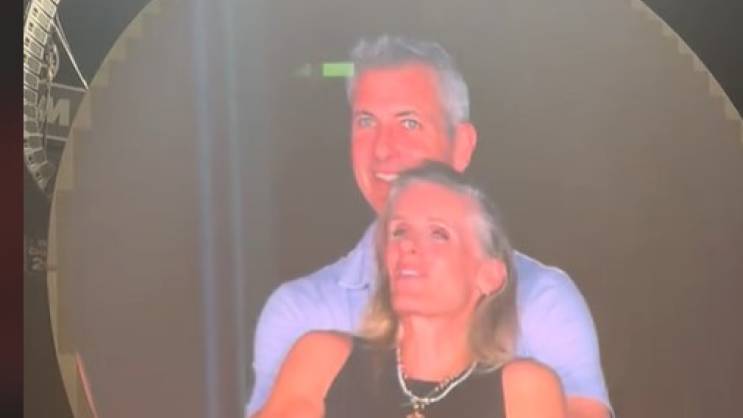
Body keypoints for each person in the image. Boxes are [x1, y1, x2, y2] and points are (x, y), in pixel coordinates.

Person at [247, 35, 611, 418]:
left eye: (409, 122)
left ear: (462, 145)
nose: (383, 149)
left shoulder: (541, 303)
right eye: (366, 121)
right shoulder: (305, 321)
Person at [253, 162, 566, 418]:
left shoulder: (523, 389)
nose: (408, 247)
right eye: (399, 231)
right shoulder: (324, 360)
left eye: (438, 234)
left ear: (489, 276)